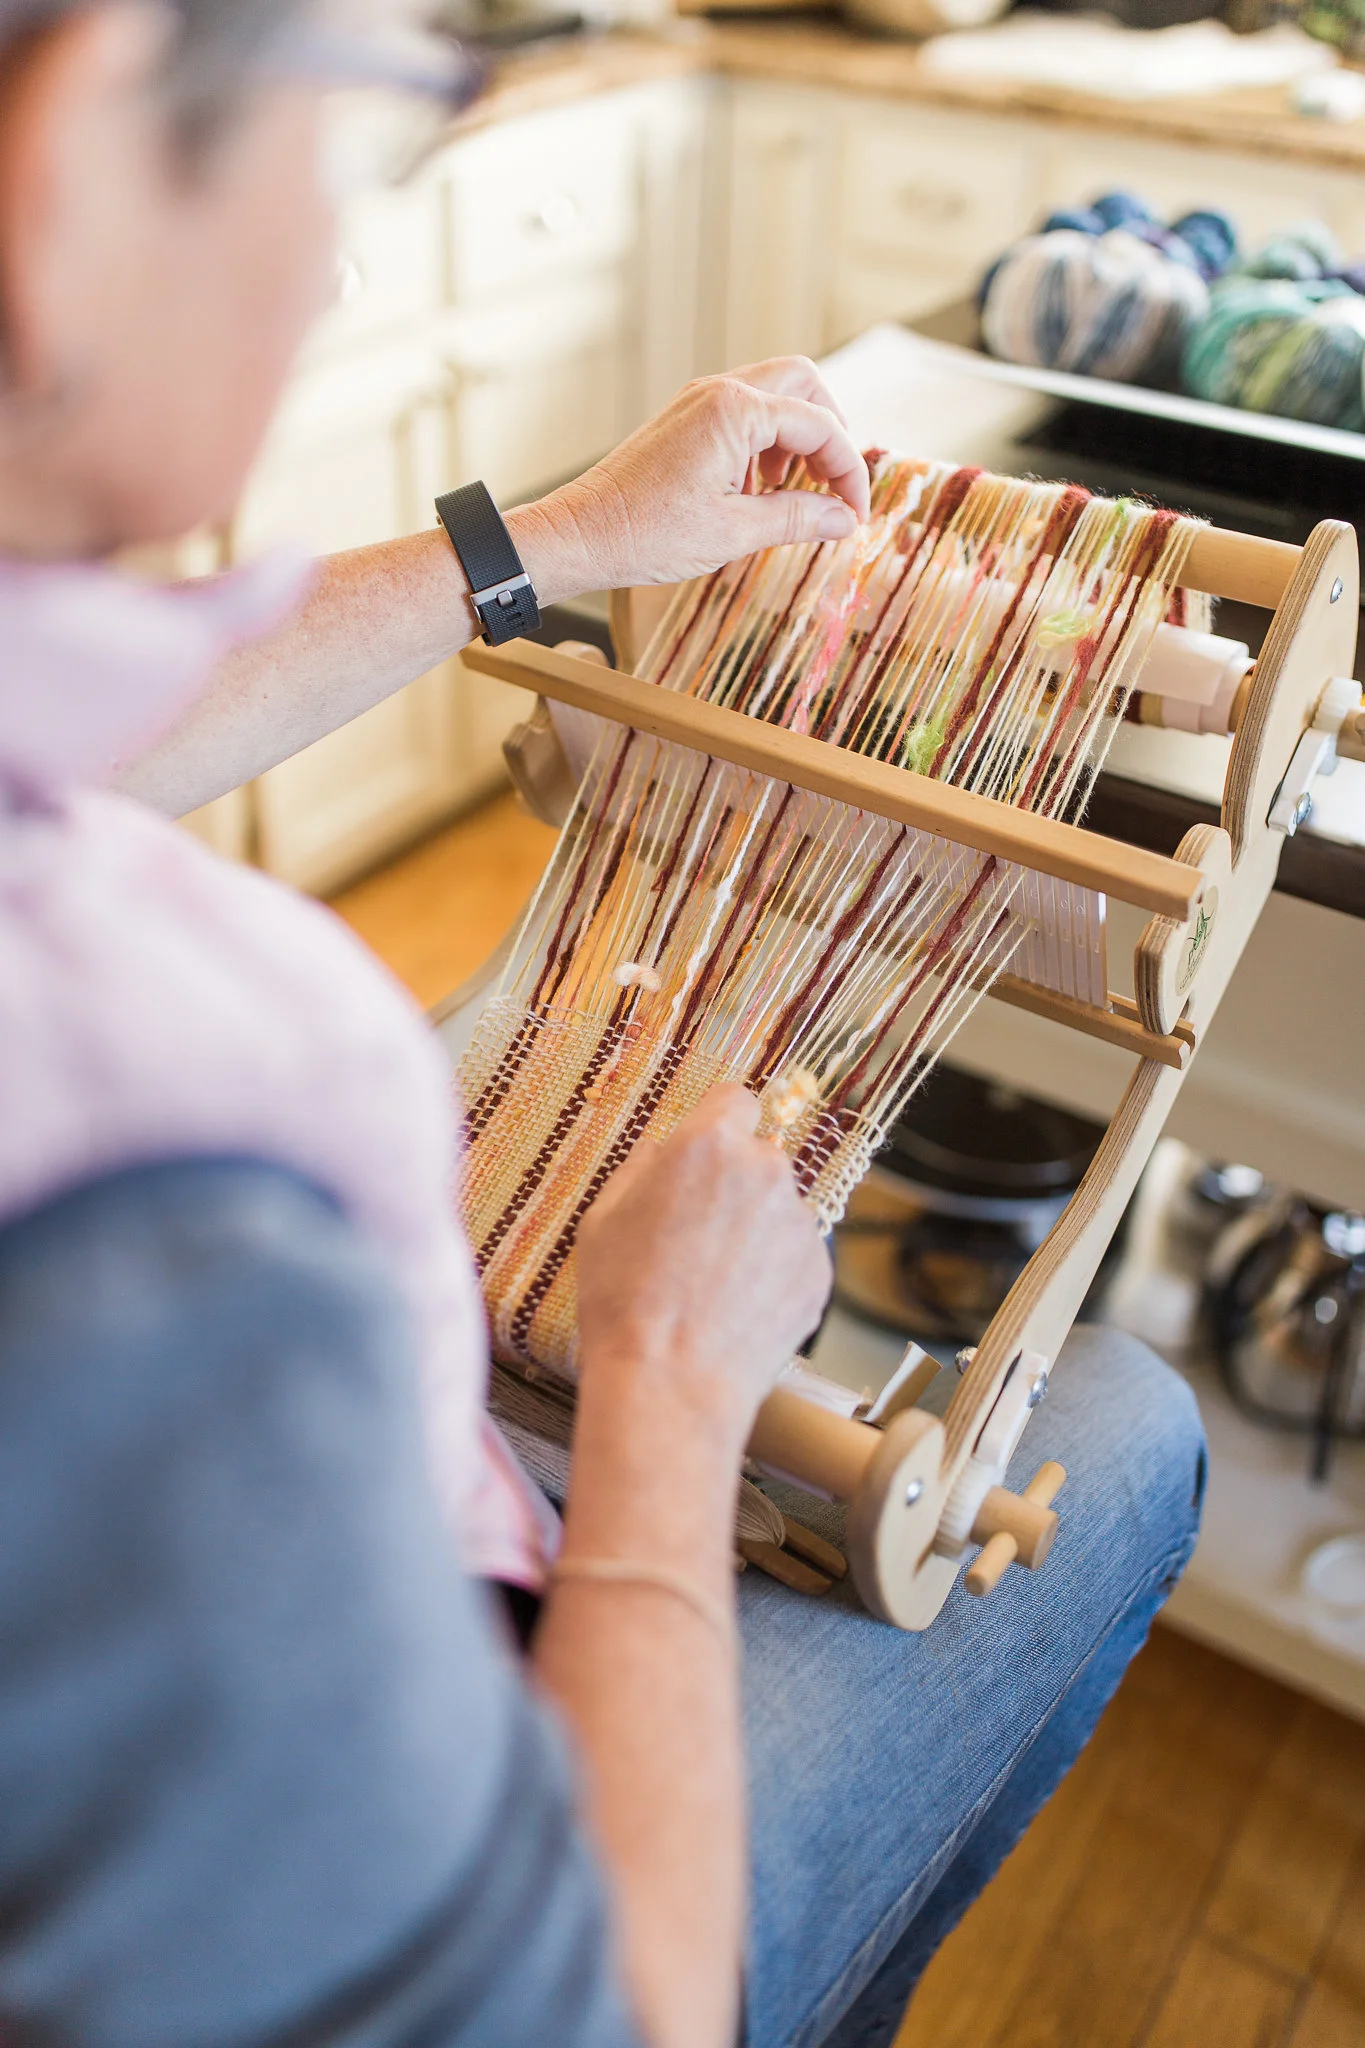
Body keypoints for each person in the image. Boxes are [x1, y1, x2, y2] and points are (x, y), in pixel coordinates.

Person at [0, 5, 1207, 2046]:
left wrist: (544, 544)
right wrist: (662, 1390)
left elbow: (81, 733)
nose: (340, 256)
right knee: (1127, 1430)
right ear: (91, 129)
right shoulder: (162, 1189)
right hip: (498, 1813)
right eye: (367, 126)